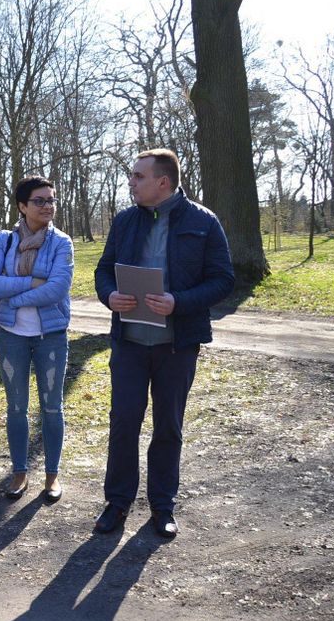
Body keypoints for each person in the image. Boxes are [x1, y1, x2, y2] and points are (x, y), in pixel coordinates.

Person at [94, 149, 234, 538]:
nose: (131, 182)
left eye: (138, 177)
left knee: (168, 427)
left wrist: (179, 301)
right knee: (123, 423)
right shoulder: (124, 221)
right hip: (130, 344)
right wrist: (109, 296)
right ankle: (117, 503)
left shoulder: (203, 222)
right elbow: (104, 270)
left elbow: (223, 280)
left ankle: (162, 507)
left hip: (178, 344)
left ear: (163, 182)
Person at [0, 176, 74, 504]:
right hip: (11, 336)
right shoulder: (3, 240)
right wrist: (33, 284)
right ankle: (19, 473)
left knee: (52, 407)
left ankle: (52, 476)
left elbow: (57, 288)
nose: (48, 206)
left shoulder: (62, 242)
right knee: (16, 408)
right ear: (22, 206)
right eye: (40, 200)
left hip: (51, 337)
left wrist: (15, 295)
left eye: (51, 199)